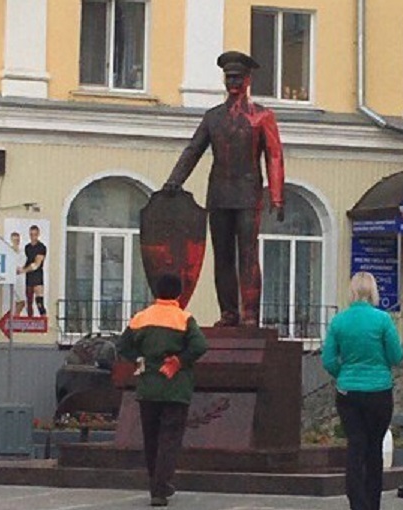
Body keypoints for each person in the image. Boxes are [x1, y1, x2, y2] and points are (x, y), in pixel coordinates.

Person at [163, 50, 285, 328]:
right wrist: (174, 181)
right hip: (218, 194)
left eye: (238, 78)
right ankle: (229, 313)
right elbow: (193, 150)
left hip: (248, 194)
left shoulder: (262, 117)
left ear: (248, 79)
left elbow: (274, 156)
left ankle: (250, 314)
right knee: (223, 256)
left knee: (248, 253)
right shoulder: (213, 117)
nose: (233, 82)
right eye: (229, 77)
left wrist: (276, 196)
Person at [118, 273, 208, 507]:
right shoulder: (184, 318)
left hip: (148, 387)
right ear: (178, 293)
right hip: (176, 387)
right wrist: (179, 360)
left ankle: (154, 487)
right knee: (169, 439)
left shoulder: (141, 318)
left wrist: (139, 359)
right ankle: (161, 487)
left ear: (156, 291)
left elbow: (122, 346)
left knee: (151, 438)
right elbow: (200, 345)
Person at [321, 272, 403, 510]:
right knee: (374, 447)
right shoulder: (382, 320)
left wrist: (344, 374)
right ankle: (372, 503)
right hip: (379, 391)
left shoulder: (339, 321)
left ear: (352, 291)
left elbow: (328, 360)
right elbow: (396, 355)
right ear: (373, 292)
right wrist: (380, 367)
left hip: (348, 393)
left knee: (355, 446)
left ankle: (356, 503)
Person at [21, 225, 47, 317]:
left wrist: (24, 270)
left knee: (39, 301)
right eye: (31, 234)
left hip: (37, 276)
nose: (33, 237)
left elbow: (36, 264)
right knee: (29, 300)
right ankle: (29, 320)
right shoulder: (27, 247)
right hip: (29, 276)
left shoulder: (41, 247)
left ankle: (43, 319)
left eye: (35, 234)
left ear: (38, 234)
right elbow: (26, 260)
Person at [9, 232, 27, 317]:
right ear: (11, 240)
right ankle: (15, 317)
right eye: (15, 240)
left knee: (21, 301)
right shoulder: (9, 252)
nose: (16, 241)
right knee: (18, 300)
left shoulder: (22, 252)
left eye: (18, 240)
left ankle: (16, 317)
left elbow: (22, 266)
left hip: (20, 279)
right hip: (12, 278)